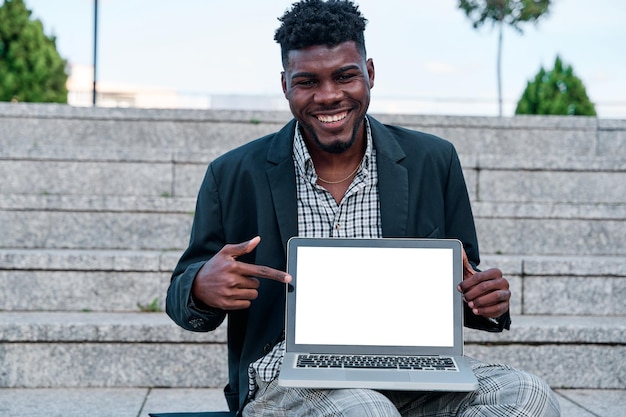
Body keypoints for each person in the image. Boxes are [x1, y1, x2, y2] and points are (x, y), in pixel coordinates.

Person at [166, 0, 561, 415]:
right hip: (286, 372)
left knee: (529, 395)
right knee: (367, 410)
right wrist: (200, 288)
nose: (329, 95)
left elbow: (464, 281)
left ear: (369, 73)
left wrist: (484, 298)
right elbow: (182, 295)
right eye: (307, 82)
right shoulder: (233, 173)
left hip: (408, 364)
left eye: (345, 76)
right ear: (285, 85)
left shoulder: (433, 159)